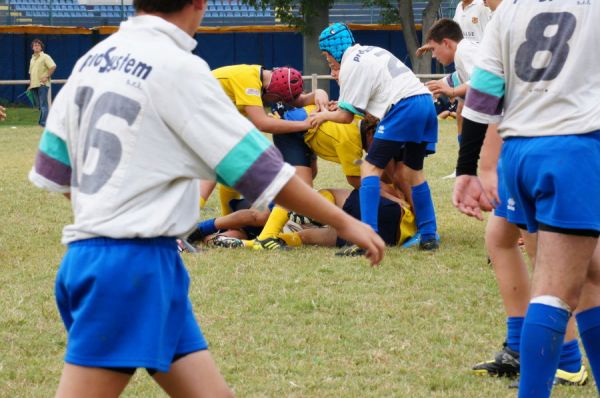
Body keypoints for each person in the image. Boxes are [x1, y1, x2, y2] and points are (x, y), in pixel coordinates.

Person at [28, 1, 385, 396]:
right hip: (129, 268)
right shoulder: (179, 67)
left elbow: (55, 170)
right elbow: (264, 171)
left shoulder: (92, 60)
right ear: (199, 4)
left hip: (115, 261)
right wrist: (347, 222)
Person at [452, 1, 600, 396]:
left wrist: (468, 168)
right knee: (555, 289)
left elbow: (482, 94)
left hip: (520, 155)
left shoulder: (510, 10)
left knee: (591, 274)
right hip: (573, 152)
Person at [310, 22, 439, 252]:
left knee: (368, 168)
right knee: (412, 172)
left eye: (328, 58)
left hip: (404, 107)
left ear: (332, 52)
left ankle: (368, 237)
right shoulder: (370, 51)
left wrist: (323, 117)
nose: (329, 64)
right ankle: (429, 235)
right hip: (424, 102)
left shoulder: (350, 64)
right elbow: (369, 103)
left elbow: (346, 117)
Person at [28, 38, 56, 127]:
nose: (36, 46)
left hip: (42, 85)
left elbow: (53, 66)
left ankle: (44, 123)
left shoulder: (45, 56)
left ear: (41, 47)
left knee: (43, 105)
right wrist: (30, 84)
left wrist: (46, 76)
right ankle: (42, 122)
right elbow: (31, 73)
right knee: (39, 105)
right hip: (34, 85)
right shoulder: (32, 59)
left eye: (38, 45)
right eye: (34, 45)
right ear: (32, 47)